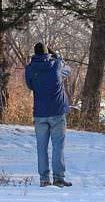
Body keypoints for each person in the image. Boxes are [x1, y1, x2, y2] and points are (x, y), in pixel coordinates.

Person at [24, 42, 72, 187]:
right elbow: (68, 70)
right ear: (47, 53)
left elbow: (30, 85)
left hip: (40, 113)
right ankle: (58, 178)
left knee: (41, 147)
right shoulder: (56, 65)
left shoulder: (30, 69)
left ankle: (44, 179)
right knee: (58, 146)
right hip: (57, 112)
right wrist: (57, 56)